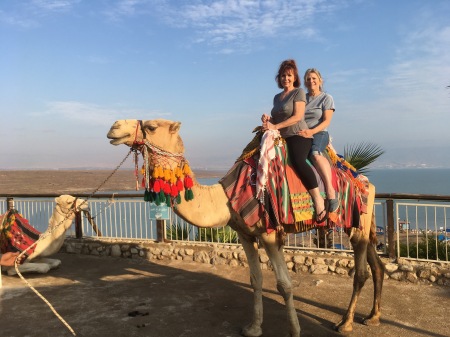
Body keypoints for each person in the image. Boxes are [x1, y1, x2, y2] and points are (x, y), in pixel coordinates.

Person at [262, 59, 327, 223]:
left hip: (298, 135)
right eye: (283, 75)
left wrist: (275, 125)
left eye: (289, 75)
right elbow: (278, 116)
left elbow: (297, 116)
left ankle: (318, 201)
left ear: (294, 77)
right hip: (283, 138)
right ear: (279, 78)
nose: (286, 78)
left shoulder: (298, 93)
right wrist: (268, 119)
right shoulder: (277, 97)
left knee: (298, 161)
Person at [298, 68, 338, 212]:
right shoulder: (302, 99)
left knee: (314, 154)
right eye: (308, 79)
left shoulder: (326, 98)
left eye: (314, 78)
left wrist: (311, 131)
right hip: (303, 134)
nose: (311, 81)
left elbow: (326, 121)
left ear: (320, 80)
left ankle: (330, 191)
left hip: (319, 133)